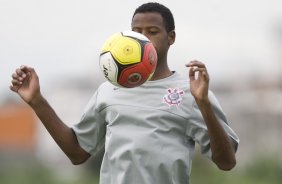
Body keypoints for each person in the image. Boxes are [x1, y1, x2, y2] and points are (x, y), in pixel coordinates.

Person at [10, 2, 239, 184]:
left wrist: (204, 104)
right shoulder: (108, 89)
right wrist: (37, 101)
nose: (143, 38)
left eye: (152, 32)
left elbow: (226, 162)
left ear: (171, 38)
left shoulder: (191, 92)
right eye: (137, 32)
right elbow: (77, 153)